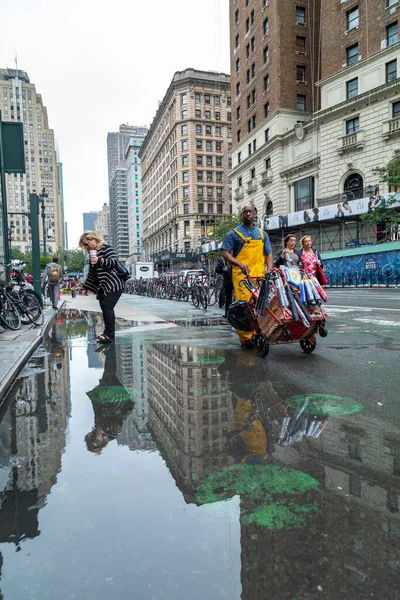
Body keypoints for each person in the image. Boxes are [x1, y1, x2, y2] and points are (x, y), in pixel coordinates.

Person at [221, 203, 273, 349]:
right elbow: (225, 253)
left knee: (262, 305)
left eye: (250, 211)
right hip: (242, 277)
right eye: (245, 212)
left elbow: (268, 254)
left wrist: (269, 270)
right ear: (241, 215)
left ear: (255, 213)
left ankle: (259, 331)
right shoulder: (234, 234)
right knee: (244, 306)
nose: (248, 214)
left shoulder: (263, 234)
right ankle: (245, 338)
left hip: (260, 276)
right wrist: (239, 263)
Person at [79, 231, 126, 343]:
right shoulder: (93, 253)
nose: (86, 247)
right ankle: (107, 334)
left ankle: (109, 336)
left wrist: (99, 260)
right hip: (104, 285)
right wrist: (87, 286)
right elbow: (93, 272)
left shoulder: (106, 248)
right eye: (84, 245)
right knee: (104, 308)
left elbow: (114, 262)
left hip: (114, 283)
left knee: (107, 307)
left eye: (87, 243)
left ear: (94, 239)